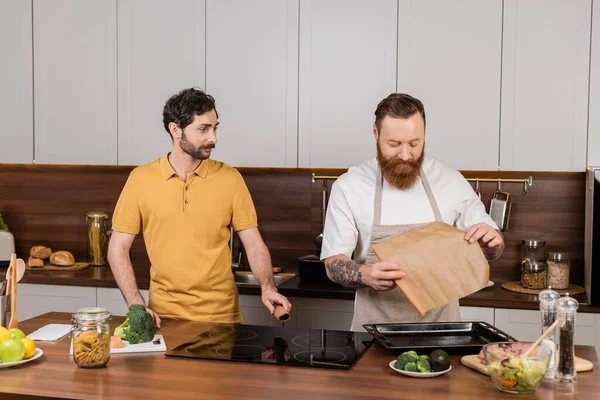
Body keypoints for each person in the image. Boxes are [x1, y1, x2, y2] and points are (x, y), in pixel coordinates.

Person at [320, 93, 504, 331]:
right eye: (394, 144)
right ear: (376, 133)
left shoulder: (451, 181)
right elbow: (333, 263)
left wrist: (492, 243)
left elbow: (491, 249)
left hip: (444, 334)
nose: (405, 155)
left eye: (415, 144)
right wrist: (365, 274)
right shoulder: (350, 186)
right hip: (372, 336)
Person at [108, 88, 291, 326]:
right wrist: (136, 303)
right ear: (175, 130)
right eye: (203, 129)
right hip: (165, 318)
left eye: (214, 128)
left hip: (222, 318)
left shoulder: (230, 178)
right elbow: (117, 249)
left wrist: (267, 286)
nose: (213, 138)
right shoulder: (140, 180)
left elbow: (253, 242)